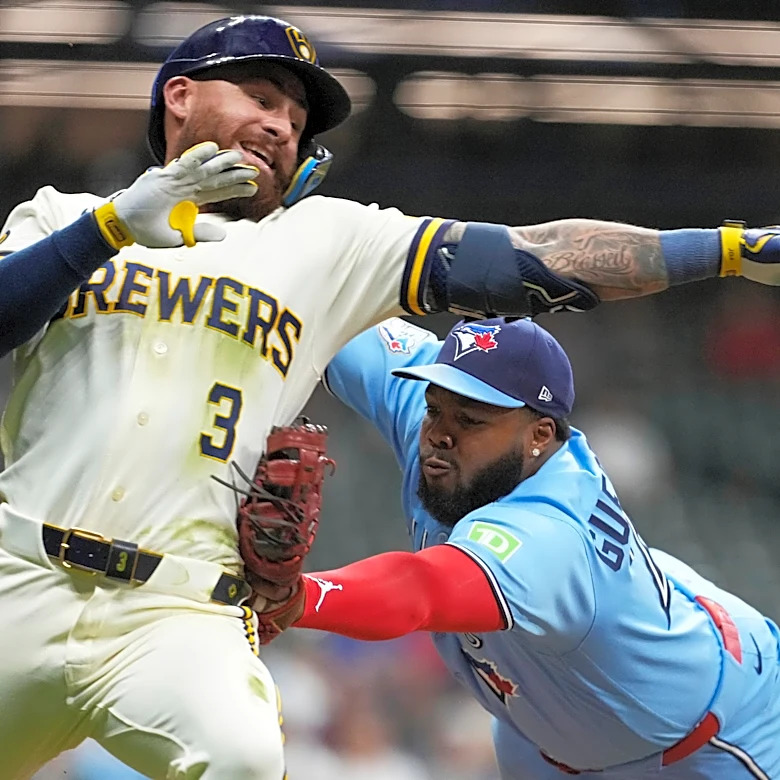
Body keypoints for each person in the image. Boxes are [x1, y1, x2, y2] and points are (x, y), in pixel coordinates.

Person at [1, 10, 780, 780]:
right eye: (263, 99)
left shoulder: (323, 246)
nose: (282, 126)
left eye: (298, 119)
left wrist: (727, 249)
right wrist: (105, 227)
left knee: (241, 757)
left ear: (540, 432)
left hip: (713, 735)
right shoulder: (58, 218)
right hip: (22, 571)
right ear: (178, 96)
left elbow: (533, 259)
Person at [266, 316, 780, 779]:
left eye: (470, 419)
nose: (439, 433)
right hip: (545, 737)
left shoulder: (549, 532)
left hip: (714, 741)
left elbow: (421, 588)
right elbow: (324, 307)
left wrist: (296, 597)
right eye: (435, 409)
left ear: (539, 433)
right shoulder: (452, 434)